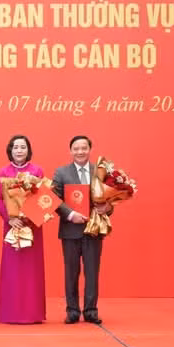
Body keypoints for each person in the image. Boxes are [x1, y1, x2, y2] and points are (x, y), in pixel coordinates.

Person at [51, 135, 111, 325]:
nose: (80, 152)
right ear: (71, 151)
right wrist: (70, 215)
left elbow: (110, 197)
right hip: (70, 230)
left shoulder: (100, 172)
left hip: (94, 229)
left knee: (92, 272)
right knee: (71, 272)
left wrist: (107, 207)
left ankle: (91, 311)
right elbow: (54, 200)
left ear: (89, 149)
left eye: (84, 148)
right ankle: (72, 311)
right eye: (76, 148)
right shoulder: (61, 173)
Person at [0, 135, 46, 324]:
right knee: (12, 270)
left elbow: (42, 197)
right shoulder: (3, 172)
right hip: (11, 227)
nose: (19, 150)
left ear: (28, 150)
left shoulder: (36, 171)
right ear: (10, 150)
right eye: (15, 147)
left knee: (32, 270)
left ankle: (33, 313)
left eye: (23, 147)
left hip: (32, 227)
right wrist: (11, 218)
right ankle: (11, 313)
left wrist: (29, 218)